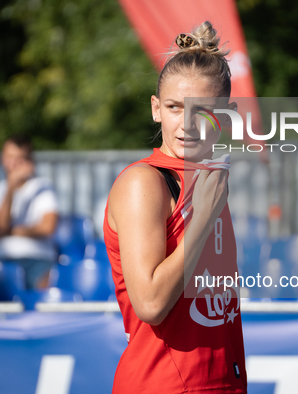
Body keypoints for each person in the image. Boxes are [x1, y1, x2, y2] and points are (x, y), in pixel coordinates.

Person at [104, 21, 247, 393]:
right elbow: (150, 303)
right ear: (155, 109)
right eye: (173, 107)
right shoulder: (144, 183)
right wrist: (201, 220)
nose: (187, 125)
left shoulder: (208, 180)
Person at [0, 135, 59, 290]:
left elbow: (48, 227)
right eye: (10, 157)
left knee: (46, 290)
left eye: (20, 158)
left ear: (30, 160)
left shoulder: (43, 187)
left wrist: (5, 233)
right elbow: (1, 224)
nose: (14, 163)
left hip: (37, 260)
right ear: (2, 158)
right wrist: (11, 189)